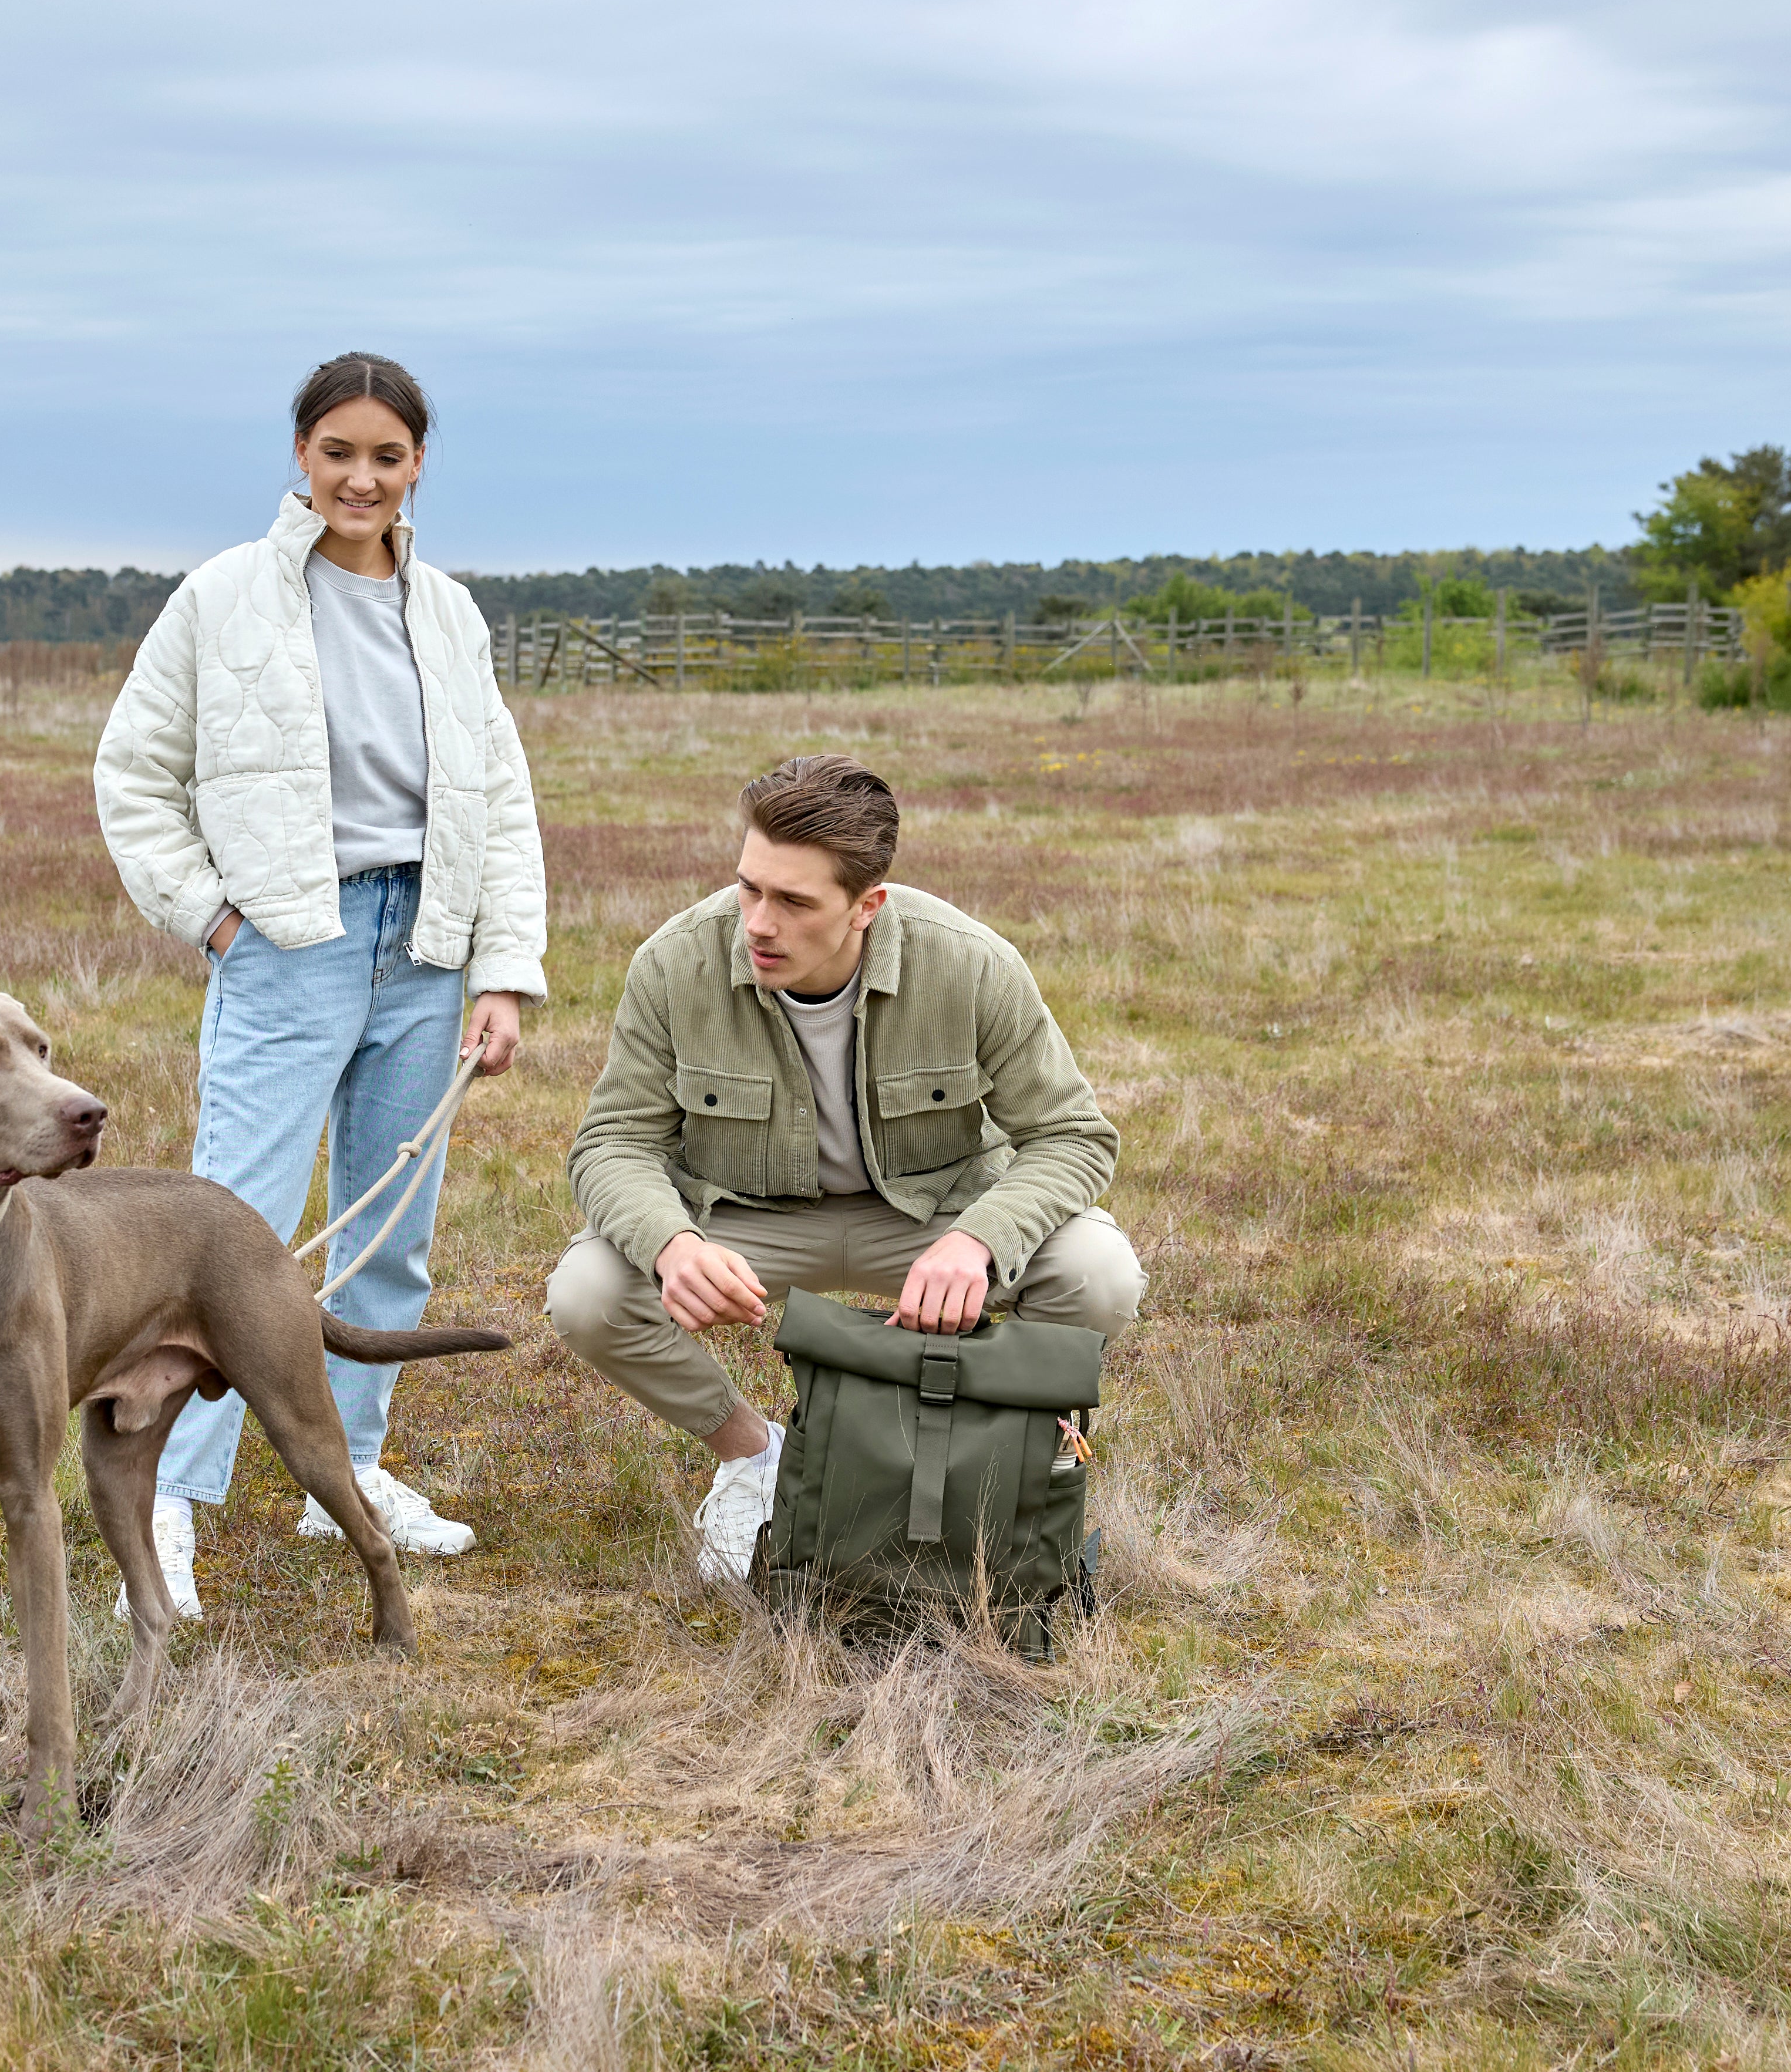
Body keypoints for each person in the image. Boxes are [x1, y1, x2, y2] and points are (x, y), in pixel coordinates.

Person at [95, 352, 546, 1618]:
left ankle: (345, 1474)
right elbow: (132, 773)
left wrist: (503, 972)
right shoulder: (221, 595)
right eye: (338, 452)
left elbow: (501, 799)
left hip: (429, 947)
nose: (362, 478)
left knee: (389, 1232)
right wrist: (215, 919)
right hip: (291, 944)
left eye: (387, 457)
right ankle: (168, 1502)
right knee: (220, 1240)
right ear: (301, 454)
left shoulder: (450, 612)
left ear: (418, 466)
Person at [547, 753, 1143, 1580]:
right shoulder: (673, 963)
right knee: (588, 1293)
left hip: (932, 1218)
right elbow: (612, 1141)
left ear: (868, 906)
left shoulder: (972, 964)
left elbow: (1073, 1135)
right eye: (749, 888)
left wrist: (979, 1240)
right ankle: (754, 1457)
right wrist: (671, 1246)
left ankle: (996, 1459)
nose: (759, 924)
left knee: (1098, 1273)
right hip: (748, 1218)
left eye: (794, 902)